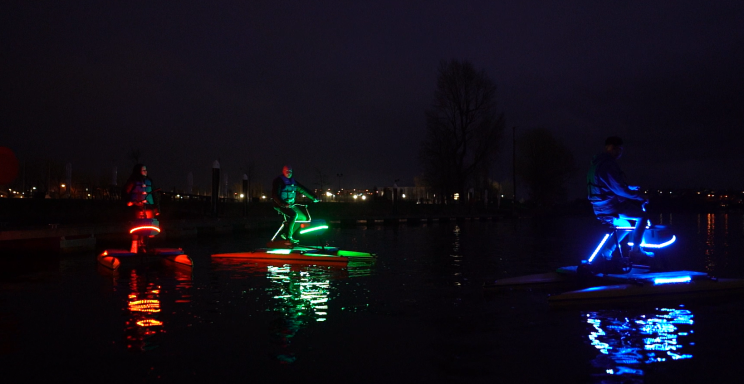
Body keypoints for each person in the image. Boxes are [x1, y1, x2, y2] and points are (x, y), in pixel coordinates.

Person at [587, 137, 654, 260]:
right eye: (619, 150)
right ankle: (636, 250)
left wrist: (629, 188)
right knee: (642, 217)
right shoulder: (608, 165)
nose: (620, 153)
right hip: (610, 207)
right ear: (613, 148)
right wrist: (640, 197)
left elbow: (608, 186)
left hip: (599, 207)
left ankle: (608, 251)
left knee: (627, 224)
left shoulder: (597, 164)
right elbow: (620, 191)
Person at [271, 165, 319, 243]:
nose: (289, 173)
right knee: (293, 215)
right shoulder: (278, 181)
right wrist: (283, 204)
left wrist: (314, 197)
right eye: (287, 171)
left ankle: (286, 234)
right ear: (283, 171)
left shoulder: (293, 182)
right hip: (279, 204)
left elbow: (303, 189)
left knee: (302, 218)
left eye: (290, 171)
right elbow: (275, 195)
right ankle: (289, 238)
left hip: (290, 204)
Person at [123, 164, 158, 252]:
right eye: (143, 170)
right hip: (137, 207)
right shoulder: (132, 181)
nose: (145, 172)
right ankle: (134, 247)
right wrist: (129, 201)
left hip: (149, 207)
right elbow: (125, 192)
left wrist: (157, 208)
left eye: (146, 170)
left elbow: (155, 195)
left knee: (149, 228)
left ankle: (146, 246)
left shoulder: (150, 181)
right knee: (137, 226)